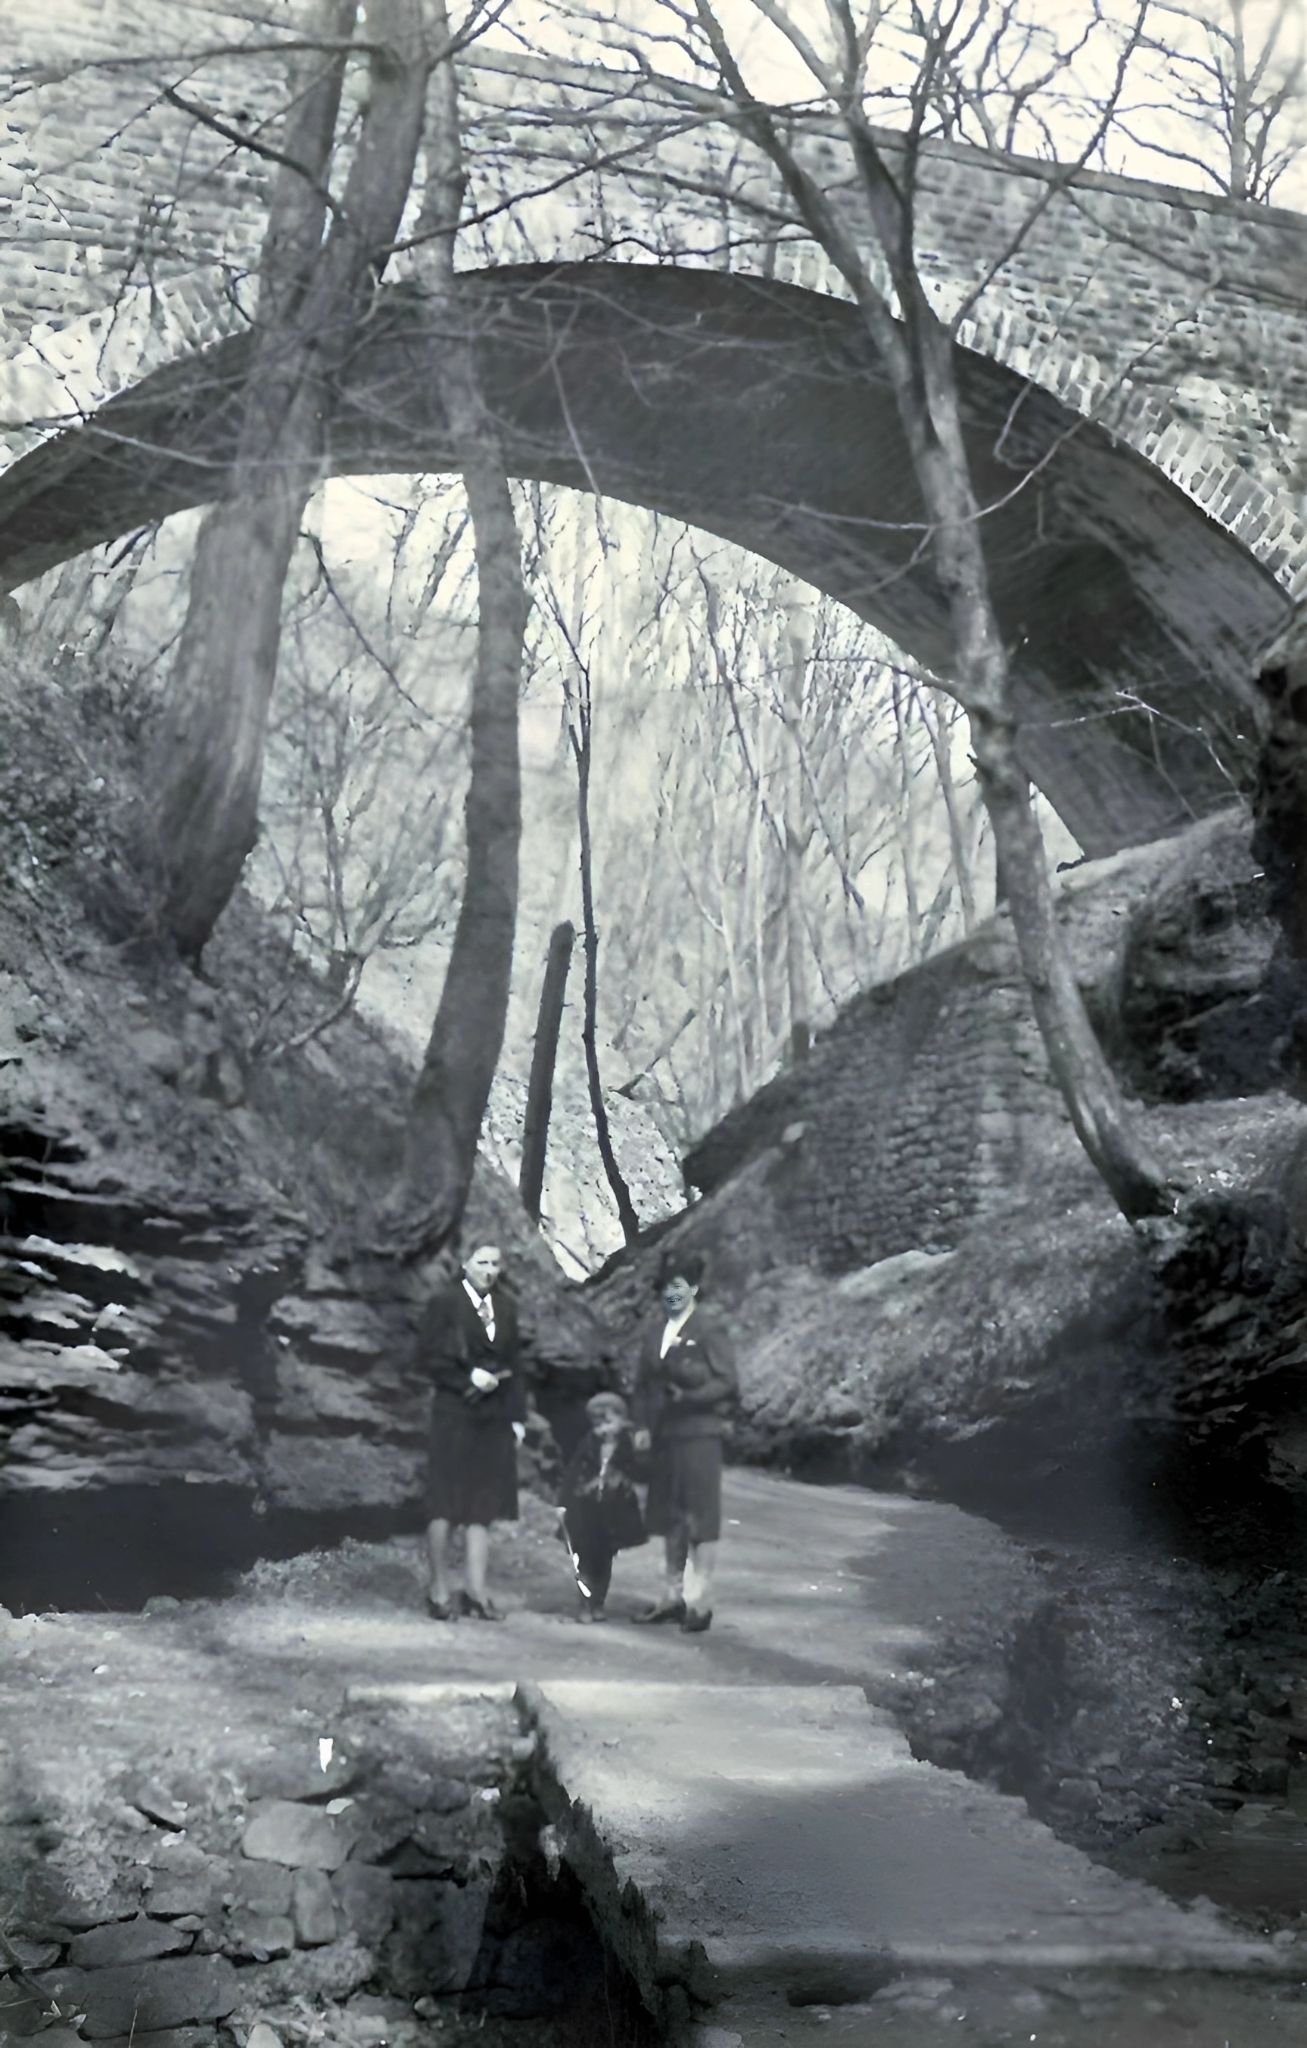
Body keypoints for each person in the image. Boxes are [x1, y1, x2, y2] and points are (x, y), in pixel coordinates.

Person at [631, 1251, 738, 1634]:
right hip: (664, 1439)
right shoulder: (655, 1332)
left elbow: (728, 1382)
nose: (671, 1294)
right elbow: (643, 1386)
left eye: (678, 1287)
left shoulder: (709, 1331)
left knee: (700, 1519)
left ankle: (699, 1601)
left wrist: (690, 1398)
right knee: (670, 1518)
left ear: (693, 1288)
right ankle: (672, 1597)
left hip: (698, 1436)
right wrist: (641, 1425)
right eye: (665, 1288)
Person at [419, 1243, 526, 1621]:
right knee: (445, 1500)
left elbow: (515, 1365)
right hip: (453, 1413)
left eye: (496, 1263)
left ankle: (476, 1592)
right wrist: (466, 1377)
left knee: (484, 1504)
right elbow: (425, 1357)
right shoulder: (444, 1303)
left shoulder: (508, 1307)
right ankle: (438, 1590)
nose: (489, 1270)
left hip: (493, 1419)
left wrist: (517, 1418)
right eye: (482, 1262)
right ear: (465, 1264)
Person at [556, 1391, 646, 1624]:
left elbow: (640, 1470)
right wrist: (568, 1498)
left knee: (604, 1560)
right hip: (586, 1511)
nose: (603, 1428)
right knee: (584, 1558)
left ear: (621, 1420)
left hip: (613, 1512)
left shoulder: (628, 1444)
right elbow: (572, 1475)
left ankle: (598, 1603)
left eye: (608, 1422)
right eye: (597, 1423)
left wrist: (625, 1475)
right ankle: (585, 1603)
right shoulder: (587, 1444)